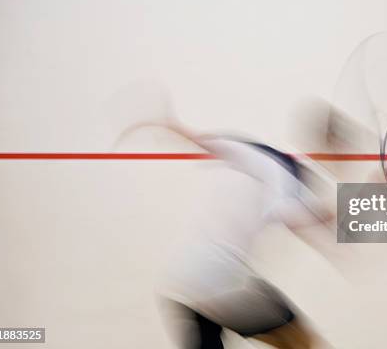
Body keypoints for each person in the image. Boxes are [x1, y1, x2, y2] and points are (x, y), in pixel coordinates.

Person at [116, 115, 338, 348]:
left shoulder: (252, 152)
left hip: (181, 279)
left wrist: (161, 122)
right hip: (220, 277)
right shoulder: (284, 174)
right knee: (304, 344)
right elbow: (294, 214)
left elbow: (199, 139)